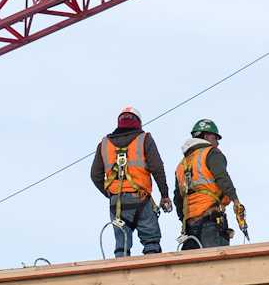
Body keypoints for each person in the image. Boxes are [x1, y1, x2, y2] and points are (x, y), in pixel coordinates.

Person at [88, 105, 171, 256]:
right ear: (138, 123)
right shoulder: (144, 139)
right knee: (151, 241)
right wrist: (164, 195)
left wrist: (110, 193)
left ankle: (121, 276)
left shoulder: (104, 144)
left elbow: (95, 175)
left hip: (117, 202)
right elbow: (157, 168)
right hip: (140, 199)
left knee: (122, 246)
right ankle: (154, 273)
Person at [174, 120, 242, 250]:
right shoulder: (212, 153)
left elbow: (178, 198)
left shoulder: (181, 165)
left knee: (192, 268)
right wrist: (236, 200)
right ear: (205, 137)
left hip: (190, 226)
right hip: (210, 221)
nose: (217, 142)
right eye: (215, 137)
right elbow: (222, 177)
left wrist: (185, 220)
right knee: (215, 265)